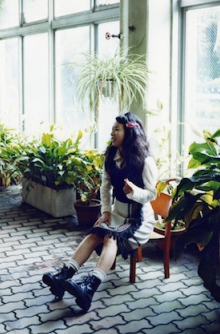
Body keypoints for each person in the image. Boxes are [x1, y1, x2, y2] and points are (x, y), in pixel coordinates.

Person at [42, 112, 158, 312]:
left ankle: (89, 288)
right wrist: (105, 212)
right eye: (112, 129)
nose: (112, 133)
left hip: (138, 220)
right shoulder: (111, 156)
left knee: (110, 237)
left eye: (116, 129)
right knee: (95, 233)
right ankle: (63, 276)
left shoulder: (146, 162)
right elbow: (105, 187)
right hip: (117, 214)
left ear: (129, 133)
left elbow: (152, 194)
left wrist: (134, 192)